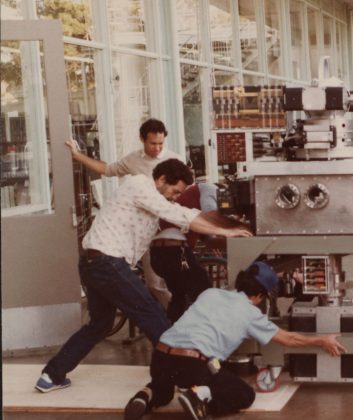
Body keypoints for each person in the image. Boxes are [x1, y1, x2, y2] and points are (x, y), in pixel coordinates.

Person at [35, 159, 252, 393]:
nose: (175, 196)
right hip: (108, 262)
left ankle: (51, 375)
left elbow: (186, 213)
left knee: (99, 325)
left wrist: (228, 224)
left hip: (93, 262)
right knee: (155, 318)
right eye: (174, 190)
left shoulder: (152, 200)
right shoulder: (139, 185)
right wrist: (227, 230)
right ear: (160, 180)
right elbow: (179, 215)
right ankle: (187, 380)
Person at [123, 260, 346, 420]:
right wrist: (321, 340)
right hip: (192, 363)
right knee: (244, 395)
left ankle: (145, 395)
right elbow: (288, 338)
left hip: (161, 355)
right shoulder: (251, 314)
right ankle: (199, 394)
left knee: (163, 392)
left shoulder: (210, 293)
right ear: (259, 296)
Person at [67, 118, 185, 309]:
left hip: (167, 225)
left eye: (161, 143)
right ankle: (170, 316)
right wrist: (77, 155)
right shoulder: (133, 160)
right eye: (152, 143)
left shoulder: (175, 160)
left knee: (172, 278)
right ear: (142, 139)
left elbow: (184, 191)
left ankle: (175, 314)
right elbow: (107, 169)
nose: (157, 148)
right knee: (153, 283)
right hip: (141, 228)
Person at [150, 182, 243, 322]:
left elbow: (211, 242)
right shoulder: (209, 188)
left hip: (159, 253)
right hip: (175, 250)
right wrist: (236, 227)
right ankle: (212, 332)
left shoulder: (198, 218)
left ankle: (170, 337)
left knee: (179, 296)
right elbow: (211, 214)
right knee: (203, 291)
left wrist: (239, 240)